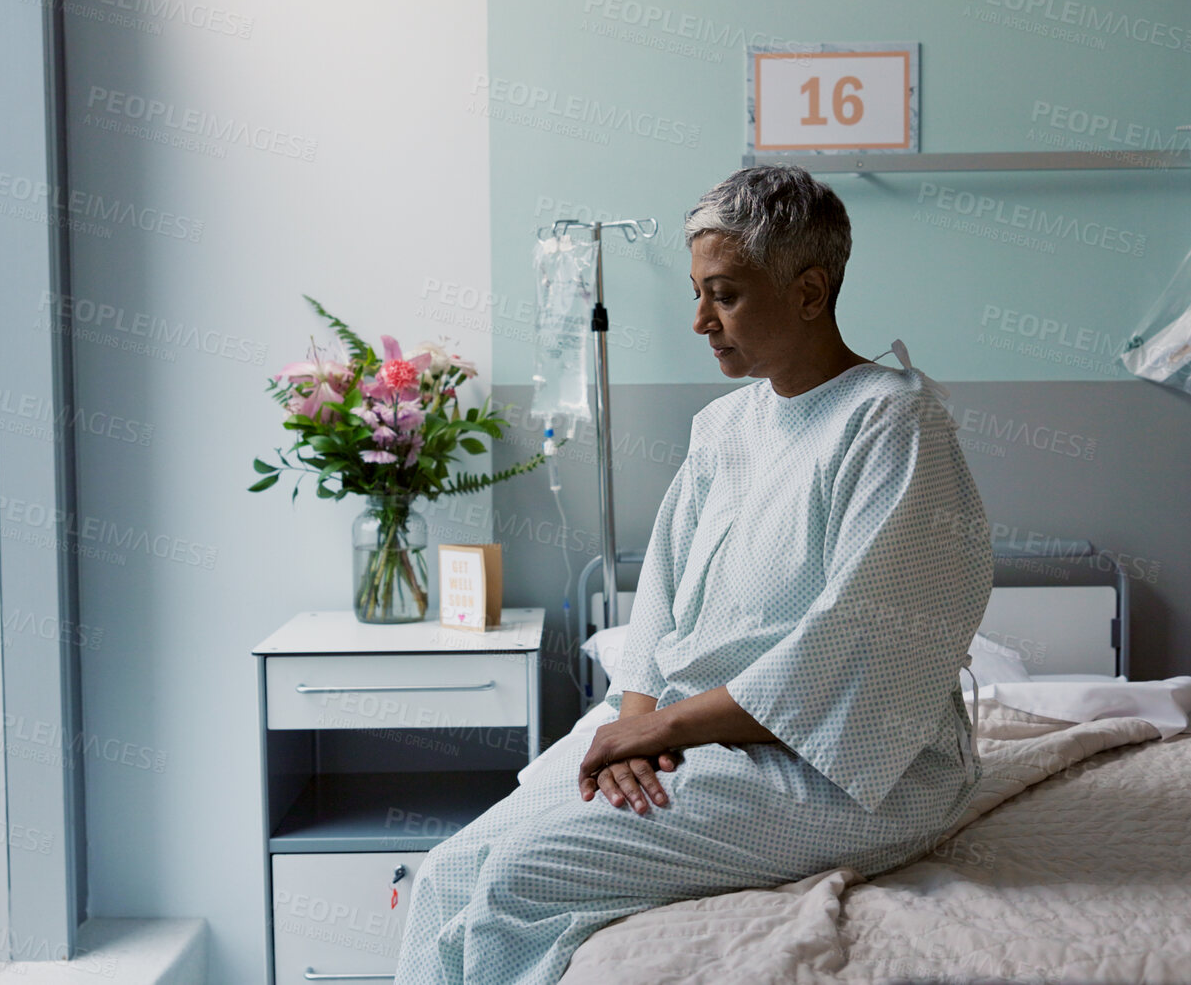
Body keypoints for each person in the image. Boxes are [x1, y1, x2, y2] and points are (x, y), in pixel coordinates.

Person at [394, 165, 992, 985]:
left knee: (518, 882)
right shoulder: (723, 425)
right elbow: (661, 601)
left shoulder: (891, 421)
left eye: (726, 294)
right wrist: (632, 729)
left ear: (810, 292)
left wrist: (666, 730)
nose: (700, 320)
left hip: (840, 763)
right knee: (445, 874)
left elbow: (860, 641)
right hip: (688, 728)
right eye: (697, 292)